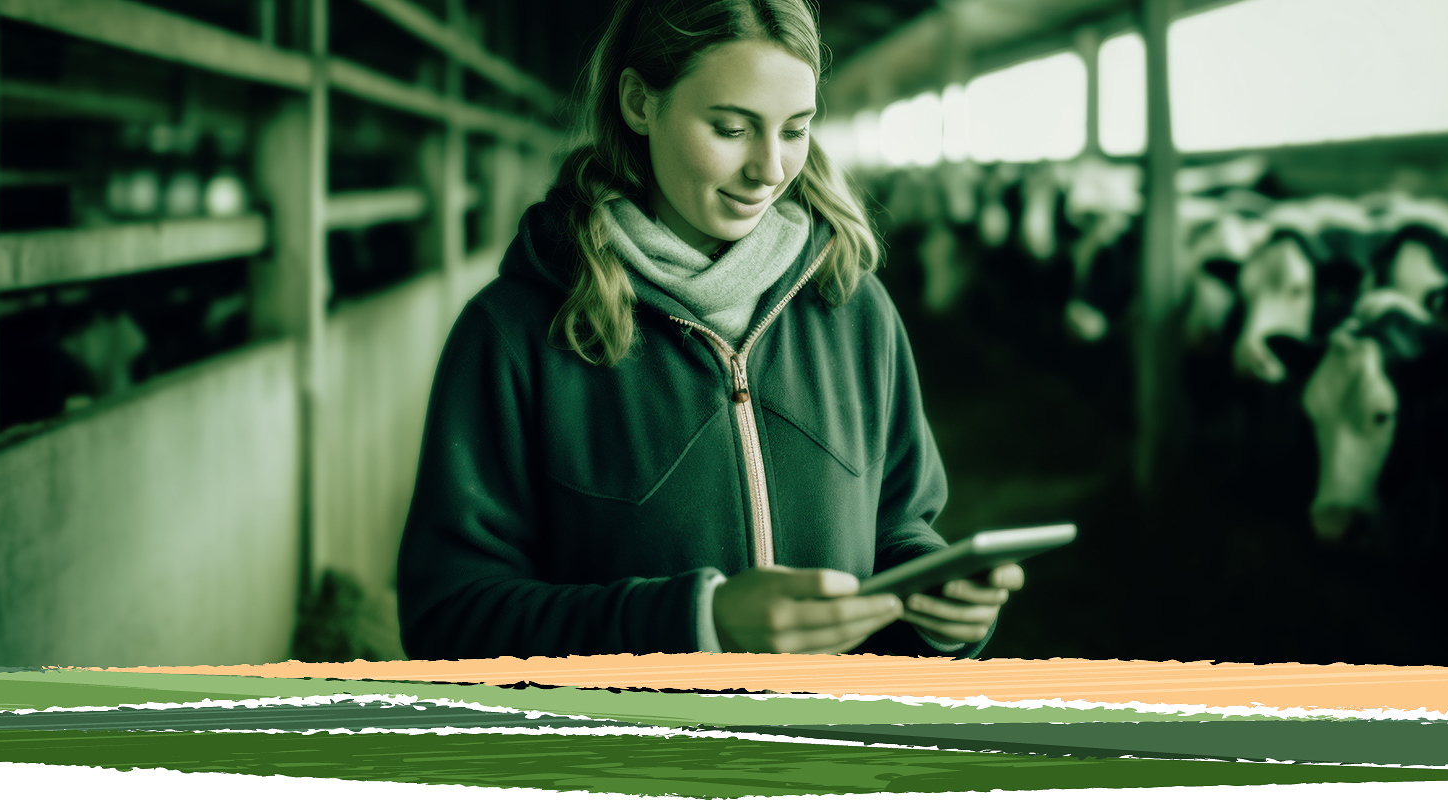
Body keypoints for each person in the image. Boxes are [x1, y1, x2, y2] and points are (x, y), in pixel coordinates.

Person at [396, 0, 1023, 659]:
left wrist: (934, 599)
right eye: (731, 129)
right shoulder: (516, 334)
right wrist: (697, 624)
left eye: (795, 130)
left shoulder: (853, 307)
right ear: (640, 103)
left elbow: (899, 522)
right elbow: (450, 619)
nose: (771, 169)